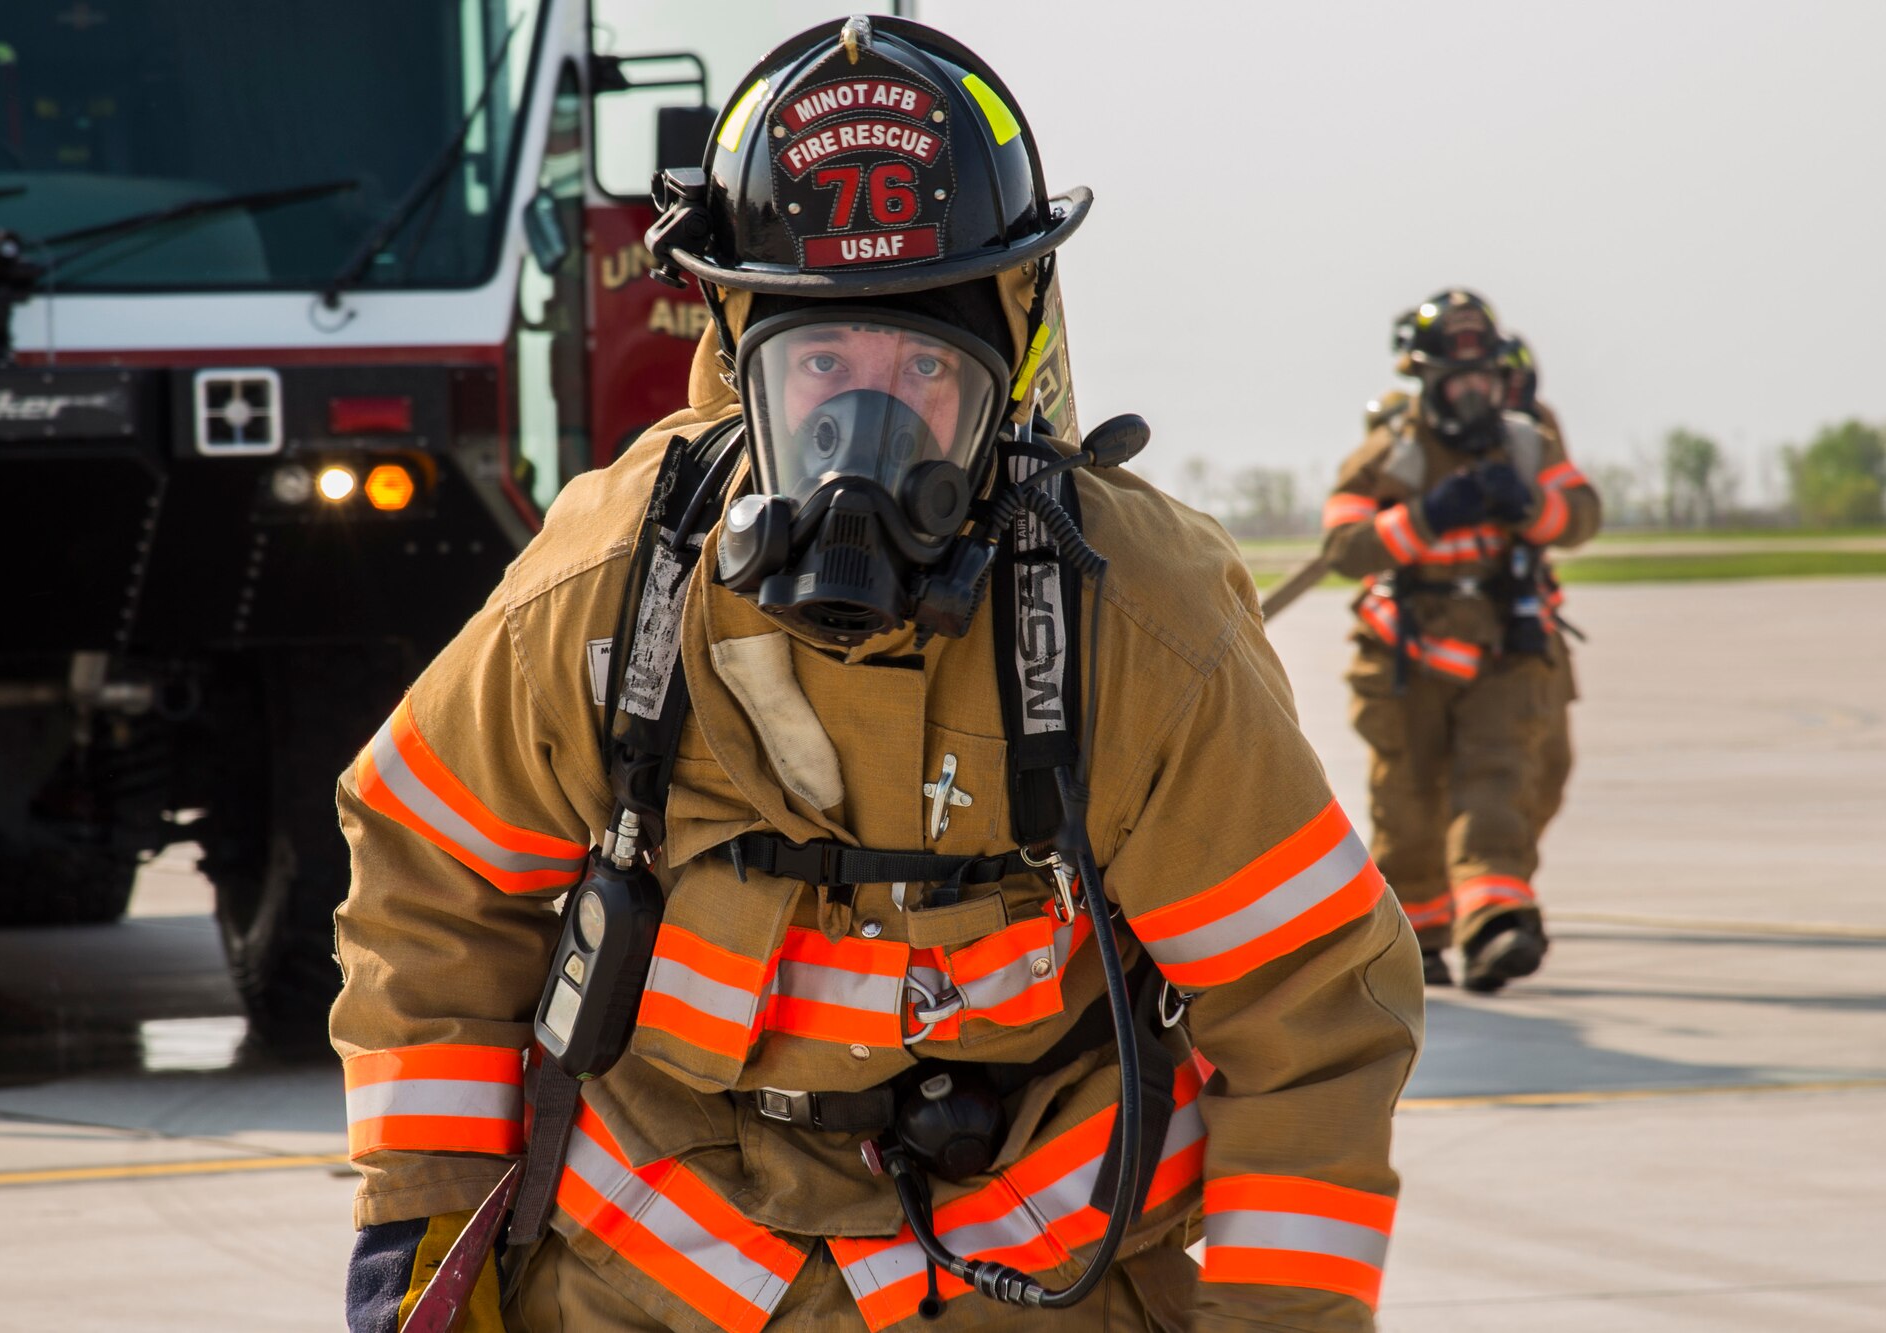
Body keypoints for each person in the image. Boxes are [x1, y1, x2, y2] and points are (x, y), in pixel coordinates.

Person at [335, 17, 1422, 1333]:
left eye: (922, 366)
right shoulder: (611, 585)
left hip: (1025, 1283)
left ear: (1008, 371)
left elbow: (1309, 1001)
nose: (868, 424)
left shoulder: (1131, 620)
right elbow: (430, 896)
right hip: (655, 1284)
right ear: (742, 360)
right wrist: (423, 1240)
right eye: (823, 368)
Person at [1319, 291, 1599, 992]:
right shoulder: (1394, 447)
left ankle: (1497, 927)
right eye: (1459, 378)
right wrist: (1425, 516)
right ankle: (1415, 940)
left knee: (1497, 785)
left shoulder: (1530, 437)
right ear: (1428, 377)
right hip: (1408, 660)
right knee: (1406, 807)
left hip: (1506, 651)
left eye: (1487, 375)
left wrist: (1531, 505)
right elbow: (1345, 547)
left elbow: (1582, 514)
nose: (1477, 391)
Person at [1498, 336, 1583, 843]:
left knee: (1550, 768)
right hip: (1434, 631)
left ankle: (1499, 876)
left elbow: (1576, 514)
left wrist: (1528, 502)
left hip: (1526, 620)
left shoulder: (1535, 428)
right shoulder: (1412, 424)